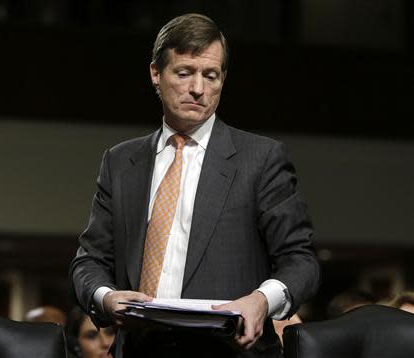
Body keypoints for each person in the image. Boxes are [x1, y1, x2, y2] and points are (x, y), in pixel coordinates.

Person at [69, 13, 320, 358]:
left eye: (210, 75)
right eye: (185, 72)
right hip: (139, 350)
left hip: (228, 351)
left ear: (223, 80)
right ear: (156, 74)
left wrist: (262, 301)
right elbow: (89, 261)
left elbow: (300, 259)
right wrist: (106, 297)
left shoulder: (260, 159)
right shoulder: (120, 162)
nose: (198, 88)